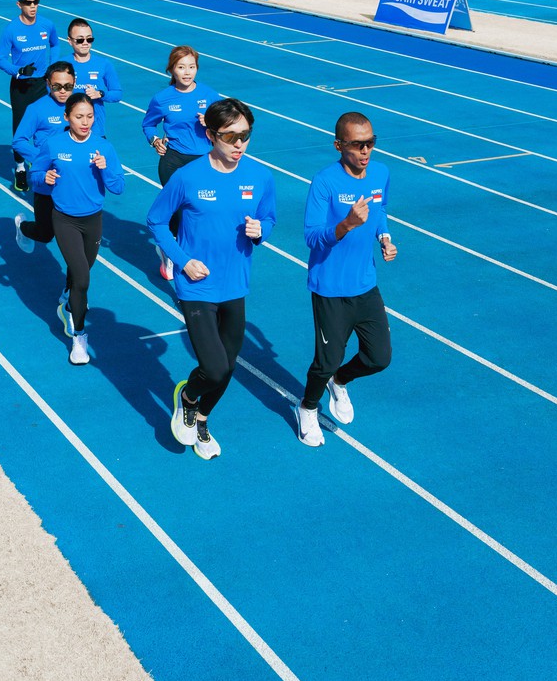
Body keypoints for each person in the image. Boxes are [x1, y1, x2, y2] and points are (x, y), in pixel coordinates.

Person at [147, 98, 276, 460]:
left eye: (245, 135)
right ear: (210, 135)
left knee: (228, 367)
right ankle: (187, 397)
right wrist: (183, 261)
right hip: (197, 285)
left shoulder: (260, 176)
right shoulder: (187, 177)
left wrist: (261, 231)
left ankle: (201, 418)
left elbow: (269, 218)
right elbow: (156, 220)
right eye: (230, 136)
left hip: (235, 284)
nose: (239, 144)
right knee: (215, 367)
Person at [295, 111, 398, 448]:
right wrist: (346, 225)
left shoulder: (381, 173)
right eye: (357, 144)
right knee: (325, 361)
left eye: (370, 143)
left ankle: (339, 381)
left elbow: (380, 211)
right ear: (339, 145)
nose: (365, 150)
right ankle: (307, 408)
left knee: (379, 357)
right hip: (330, 288)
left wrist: (384, 237)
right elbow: (311, 236)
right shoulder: (324, 182)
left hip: (366, 283)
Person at [30, 93, 125, 365]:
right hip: (65, 220)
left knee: (80, 271)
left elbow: (118, 187)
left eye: (90, 116)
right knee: (82, 279)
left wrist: (105, 170)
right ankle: (79, 337)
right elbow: (35, 176)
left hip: (93, 220)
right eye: (79, 117)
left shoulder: (103, 147)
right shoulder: (54, 144)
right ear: (67, 117)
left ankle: (69, 304)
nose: (85, 122)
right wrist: (45, 178)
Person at [141, 44, 220, 281]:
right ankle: (173, 252)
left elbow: (225, 126)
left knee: (199, 210)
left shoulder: (209, 95)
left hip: (203, 162)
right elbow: (148, 124)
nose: (187, 72)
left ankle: (177, 249)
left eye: (191, 67)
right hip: (173, 160)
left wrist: (211, 123)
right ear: (171, 70)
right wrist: (155, 141)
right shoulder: (162, 98)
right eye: (181, 67)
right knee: (177, 208)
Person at [12, 62, 74, 325]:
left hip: (74, 187)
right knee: (46, 234)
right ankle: (24, 228)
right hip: (46, 185)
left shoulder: (79, 107)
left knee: (74, 245)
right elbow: (19, 141)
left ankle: (70, 293)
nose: (63, 91)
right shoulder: (37, 109)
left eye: (68, 86)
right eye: (57, 86)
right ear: (48, 84)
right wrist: (43, 158)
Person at [0, 0, 60, 192]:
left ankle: (43, 162)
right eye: (28, 3)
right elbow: (0, 59)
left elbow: (55, 44)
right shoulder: (11, 29)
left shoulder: (47, 24)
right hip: (21, 85)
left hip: (43, 84)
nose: (33, 6)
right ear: (19, 5)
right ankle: (20, 167)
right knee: (21, 128)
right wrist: (18, 70)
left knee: (46, 124)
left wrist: (53, 66)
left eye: (35, 2)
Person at [65, 17, 122, 138]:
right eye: (80, 40)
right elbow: (51, 94)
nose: (85, 43)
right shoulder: (62, 65)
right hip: (68, 131)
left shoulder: (104, 64)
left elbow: (117, 94)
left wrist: (100, 94)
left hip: (96, 132)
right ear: (70, 41)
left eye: (89, 39)